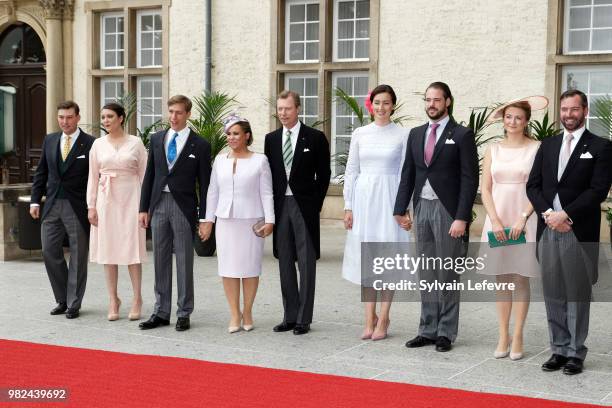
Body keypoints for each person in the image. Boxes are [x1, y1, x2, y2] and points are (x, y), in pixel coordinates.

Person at [527, 89, 612, 375]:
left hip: (577, 230)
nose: (568, 115)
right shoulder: (548, 145)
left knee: (576, 293)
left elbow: (598, 190)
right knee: (553, 292)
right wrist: (551, 215)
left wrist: (567, 215)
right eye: (564, 109)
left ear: (585, 111)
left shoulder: (600, 146)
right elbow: (533, 186)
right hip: (548, 228)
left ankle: (576, 352)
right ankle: (559, 349)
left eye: (574, 109)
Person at [393, 82, 479, 352]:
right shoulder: (416, 134)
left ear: (448, 102)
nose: (431, 104)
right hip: (422, 208)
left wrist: (461, 217)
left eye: (437, 100)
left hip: (448, 211)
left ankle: (446, 332)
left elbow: (469, 179)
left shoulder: (462, 135)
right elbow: (408, 173)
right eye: (428, 100)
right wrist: (400, 208)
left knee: (448, 272)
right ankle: (427, 329)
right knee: (427, 271)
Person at [479, 98, 546, 360]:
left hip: (524, 219)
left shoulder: (536, 148)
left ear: (527, 121)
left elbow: (538, 187)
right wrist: (495, 220)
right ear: (503, 120)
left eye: (518, 117)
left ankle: (518, 334)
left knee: (520, 277)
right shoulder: (492, 149)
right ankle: (502, 335)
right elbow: (485, 188)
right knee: (502, 277)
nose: (513, 122)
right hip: (497, 219)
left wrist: (522, 217)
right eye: (508, 117)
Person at [342, 84, 410, 340]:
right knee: (367, 258)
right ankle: (368, 318)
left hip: (390, 200)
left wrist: (405, 209)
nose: (381, 108)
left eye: (386, 103)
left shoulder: (403, 135)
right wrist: (348, 206)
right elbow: (351, 170)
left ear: (393, 105)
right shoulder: (360, 133)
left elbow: (406, 175)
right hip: (364, 200)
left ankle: (384, 318)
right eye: (377, 102)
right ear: (371, 105)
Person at [138, 95, 211, 332]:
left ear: (188, 114)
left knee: (183, 260)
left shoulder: (200, 144)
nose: (173, 117)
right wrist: (143, 208)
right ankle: (161, 311)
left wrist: (204, 217)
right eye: (170, 111)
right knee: (159, 259)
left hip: (183, 206)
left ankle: (183, 312)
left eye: (179, 112)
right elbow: (149, 175)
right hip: (158, 204)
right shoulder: (157, 139)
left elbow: (206, 183)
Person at [264, 90, 331, 335]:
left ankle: (304, 318)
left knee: (306, 263)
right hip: (281, 207)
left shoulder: (314, 138)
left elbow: (324, 176)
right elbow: (270, 177)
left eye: (288, 109)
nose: (283, 113)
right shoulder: (270, 139)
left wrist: (315, 204)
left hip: (305, 208)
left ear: (298, 108)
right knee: (284, 261)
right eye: (280, 109)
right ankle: (289, 316)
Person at [201, 115, 274, 333]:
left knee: (250, 268)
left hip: (252, 221)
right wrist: (207, 221)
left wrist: (270, 220)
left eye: (236, 133)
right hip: (226, 221)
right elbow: (212, 192)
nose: (231, 138)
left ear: (247, 136)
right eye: (229, 134)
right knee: (229, 269)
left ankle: (248, 311)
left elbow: (267, 192)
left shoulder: (259, 160)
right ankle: (234, 313)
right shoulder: (219, 161)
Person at [30, 101, 95, 319]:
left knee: (78, 255)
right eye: (61, 117)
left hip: (78, 206)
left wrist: (93, 206)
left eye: (68, 117)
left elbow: (95, 179)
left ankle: (74, 303)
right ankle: (62, 299)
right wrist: (34, 201)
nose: (64, 122)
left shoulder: (91, 143)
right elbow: (41, 172)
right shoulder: (50, 139)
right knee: (49, 251)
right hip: (51, 205)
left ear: (77, 117)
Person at [87, 103, 148, 321]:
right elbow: (92, 177)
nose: (105, 120)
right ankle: (113, 299)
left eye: (110, 116)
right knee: (108, 250)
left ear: (121, 118)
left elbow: (145, 176)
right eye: (103, 117)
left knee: (132, 250)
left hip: (132, 198)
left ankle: (137, 298)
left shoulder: (136, 143)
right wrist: (91, 206)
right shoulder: (97, 144)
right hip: (106, 201)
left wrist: (145, 207)